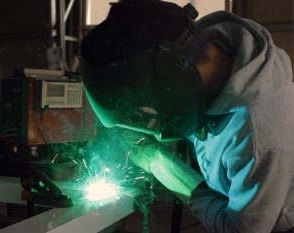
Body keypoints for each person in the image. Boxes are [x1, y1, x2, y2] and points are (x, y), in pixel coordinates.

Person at [80, 0, 294, 232]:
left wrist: (161, 164)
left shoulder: (257, 137)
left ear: (173, 76)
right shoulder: (199, 53)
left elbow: (241, 230)